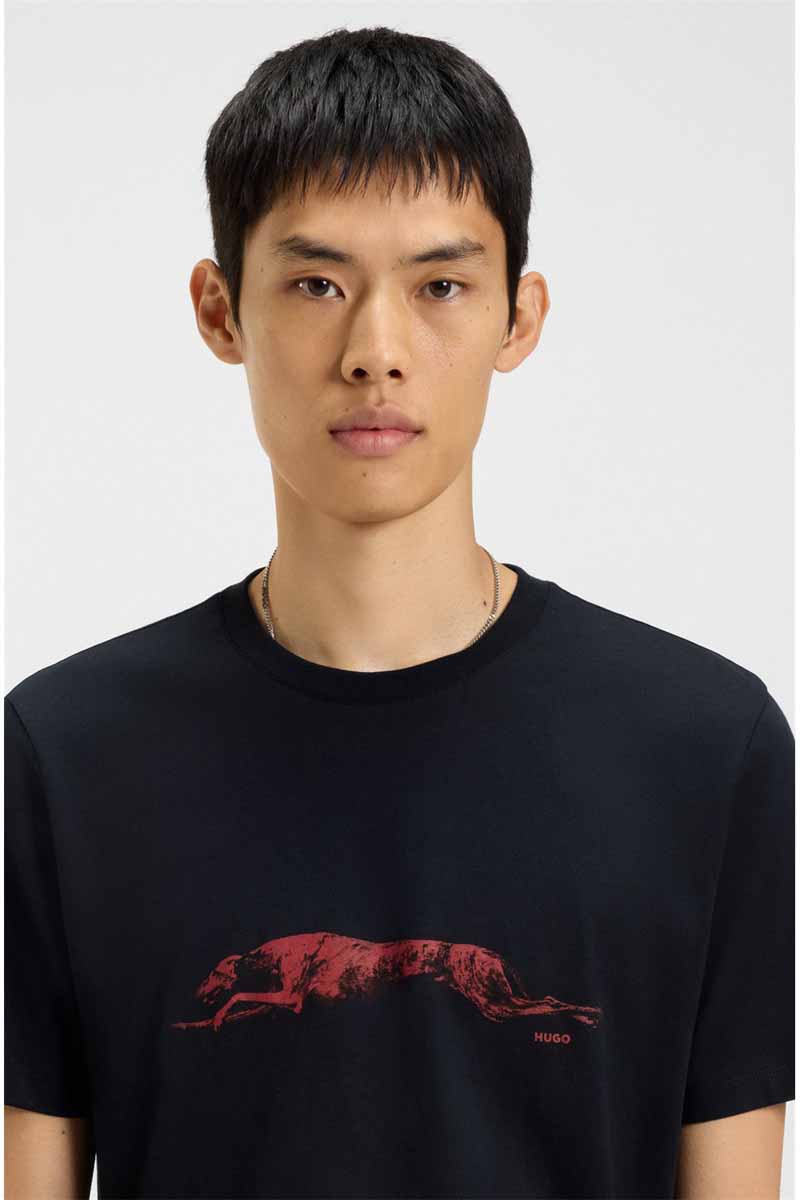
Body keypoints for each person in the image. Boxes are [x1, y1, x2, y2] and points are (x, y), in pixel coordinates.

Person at [5, 25, 794, 1200]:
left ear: (516, 318)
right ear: (220, 311)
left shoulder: (705, 750)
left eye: (439, 287)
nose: (375, 352)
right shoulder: (66, 755)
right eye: (316, 284)